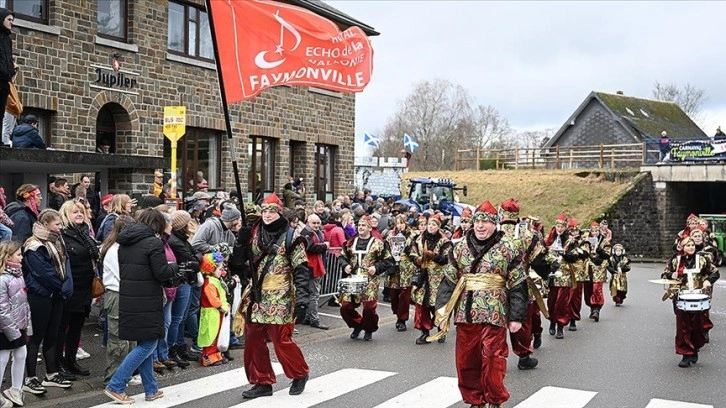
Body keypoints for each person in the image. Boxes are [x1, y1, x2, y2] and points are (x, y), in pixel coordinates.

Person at [431, 200, 527, 408]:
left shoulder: (509, 247)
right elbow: (449, 280)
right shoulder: (460, 248)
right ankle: (476, 399)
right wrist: (441, 311)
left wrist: (517, 316)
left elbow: (518, 284)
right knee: (467, 360)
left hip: (495, 312)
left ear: (495, 224)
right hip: (466, 312)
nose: (481, 226)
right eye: (478, 222)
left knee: (493, 357)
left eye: (486, 222)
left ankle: (493, 398)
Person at [234, 193, 311, 399]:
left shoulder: (291, 236)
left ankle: (300, 373)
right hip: (257, 294)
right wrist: (240, 242)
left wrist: (303, 300)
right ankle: (262, 381)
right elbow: (238, 263)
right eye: (265, 210)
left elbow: (302, 269)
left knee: (280, 339)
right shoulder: (253, 232)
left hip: (282, 295)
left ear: (280, 212)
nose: (267, 214)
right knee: (253, 338)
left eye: (272, 211)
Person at [104, 209, 177, 404]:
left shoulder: (124, 242)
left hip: (129, 297)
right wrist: (174, 266)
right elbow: (161, 273)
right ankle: (116, 385)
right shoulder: (153, 242)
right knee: (148, 343)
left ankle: (151, 389)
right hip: (147, 299)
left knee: (145, 343)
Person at [22, 209, 74, 395]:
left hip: (56, 295)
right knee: (36, 336)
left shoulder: (55, 240)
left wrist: (64, 285)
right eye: (57, 224)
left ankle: (51, 374)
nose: (60, 227)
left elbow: (64, 264)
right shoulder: (33, 245)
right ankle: (30, 378)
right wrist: (61, 286)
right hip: (41, 295)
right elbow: (42, 272)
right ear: (45, 225)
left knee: (52, 335)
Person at [662, 236, 719, 367]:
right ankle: (685, 354)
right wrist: (671, 275)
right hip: (681, 297)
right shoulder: (675, 261)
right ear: (682, 247)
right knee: (683, 327)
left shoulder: (702, 260)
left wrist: (708, 281)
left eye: (692, 245)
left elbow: (715, 273)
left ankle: (694, 348)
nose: (691, 247)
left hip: (698, 297)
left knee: (697, 326)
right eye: (688, 245)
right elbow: (664, 275)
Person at [57, 200, 99, 378]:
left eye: (81, 211)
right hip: (69, 289)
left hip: (84, 288)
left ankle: (71, 361)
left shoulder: (85, 234)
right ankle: (58, 364)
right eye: (75, 212)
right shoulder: (62, 235)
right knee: (62, 328)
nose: (79, 214)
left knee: (76, 328)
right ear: (66, 215)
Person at [337, 215, 392, 341]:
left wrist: (376, 268)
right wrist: (345, 265)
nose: (361, 228)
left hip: (370, 280)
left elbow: (388, 260)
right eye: (359, 225)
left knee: (368, 308)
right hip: (353, 279)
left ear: (369, 228)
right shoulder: (350, 242)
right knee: (345, 307)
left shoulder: (378, 243)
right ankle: (357, 324)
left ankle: (368, 329)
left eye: (364, 226)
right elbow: (342, 257)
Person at [99, 214, 139, 385]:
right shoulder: (114, 250)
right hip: (117, 294)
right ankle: (112, 377)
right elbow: (125, 276)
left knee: (131, 338)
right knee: (118, 339)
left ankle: (125, 374)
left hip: (128, 294)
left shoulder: (123, 248)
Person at [409, 213, 450, 344]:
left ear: (438, 227)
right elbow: (412, 253)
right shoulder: (419, 239)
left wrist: (434, 257)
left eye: (434, 224)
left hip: (438, 279)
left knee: (437, 306)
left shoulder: (445, 241)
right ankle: (424, 332)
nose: (431, 226)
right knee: (421, 306)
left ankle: (440, 329)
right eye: (429, 224)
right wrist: (417, 260)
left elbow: (446, 259)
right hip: (422, 277)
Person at [0, 240, 31, 407]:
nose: (21, 257)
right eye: (18, 254)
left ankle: (16, 389)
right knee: (3, 358)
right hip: (6, 329)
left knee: (21, 355)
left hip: (18, 326)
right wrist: (13, 332)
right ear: (7, 256)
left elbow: (24, 305)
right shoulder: (3, 279)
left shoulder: (18, 275)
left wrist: (27, 325)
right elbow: (1, 310)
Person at [384, 214, 416, 332]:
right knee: (393, 294)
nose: (399, 226)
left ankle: (402, 319)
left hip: (406, 268)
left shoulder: (412, 235)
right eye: (397, 223)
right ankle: (397, 313)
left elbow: (414, 249)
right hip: (394, 267)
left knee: (404, 294)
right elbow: (386, 248)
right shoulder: (390, 235)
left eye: (401, 223)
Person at [198, 252, 229, 366]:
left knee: (217, 335)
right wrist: (221, 307)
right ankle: (208, 358)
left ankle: (217, 355)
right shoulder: (210, 283)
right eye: (219, 268)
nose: (222, 271)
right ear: (211, 269)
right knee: (210, 335)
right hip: (211, 313)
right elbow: (213, 299)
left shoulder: (215, 280)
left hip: (216, 313)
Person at [300, 214, 329, 329]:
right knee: (314, 295)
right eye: (314, 223)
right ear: (308, 222)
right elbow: (310, 247)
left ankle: (308, 317)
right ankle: (314, 319)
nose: (316, 225)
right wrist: (324, 246)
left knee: (311, 294)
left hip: (314, 266)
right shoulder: (307, 233)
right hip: (311, 267)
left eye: (318, 223)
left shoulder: (313, 232)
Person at [0, 9, 14, 117]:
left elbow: (9, 58)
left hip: (5, 82)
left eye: (12, 20)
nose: (11, 22)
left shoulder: (8, 40)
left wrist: (11, 72)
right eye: (9, 19)